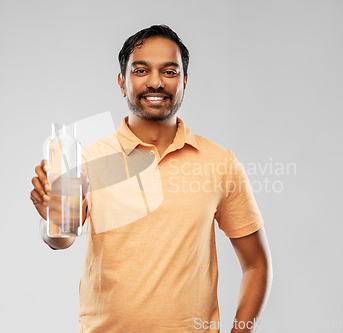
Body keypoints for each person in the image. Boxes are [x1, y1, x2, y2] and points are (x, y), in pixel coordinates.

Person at [30, 25, 272, 333]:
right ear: (122, 82)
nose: (155, 82)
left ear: (185, 82)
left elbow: (257, 264)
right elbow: (61, 238)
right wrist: (52, 220)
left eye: (170, 72)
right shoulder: (86, 158)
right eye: (141, 70)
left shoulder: (219, 163)